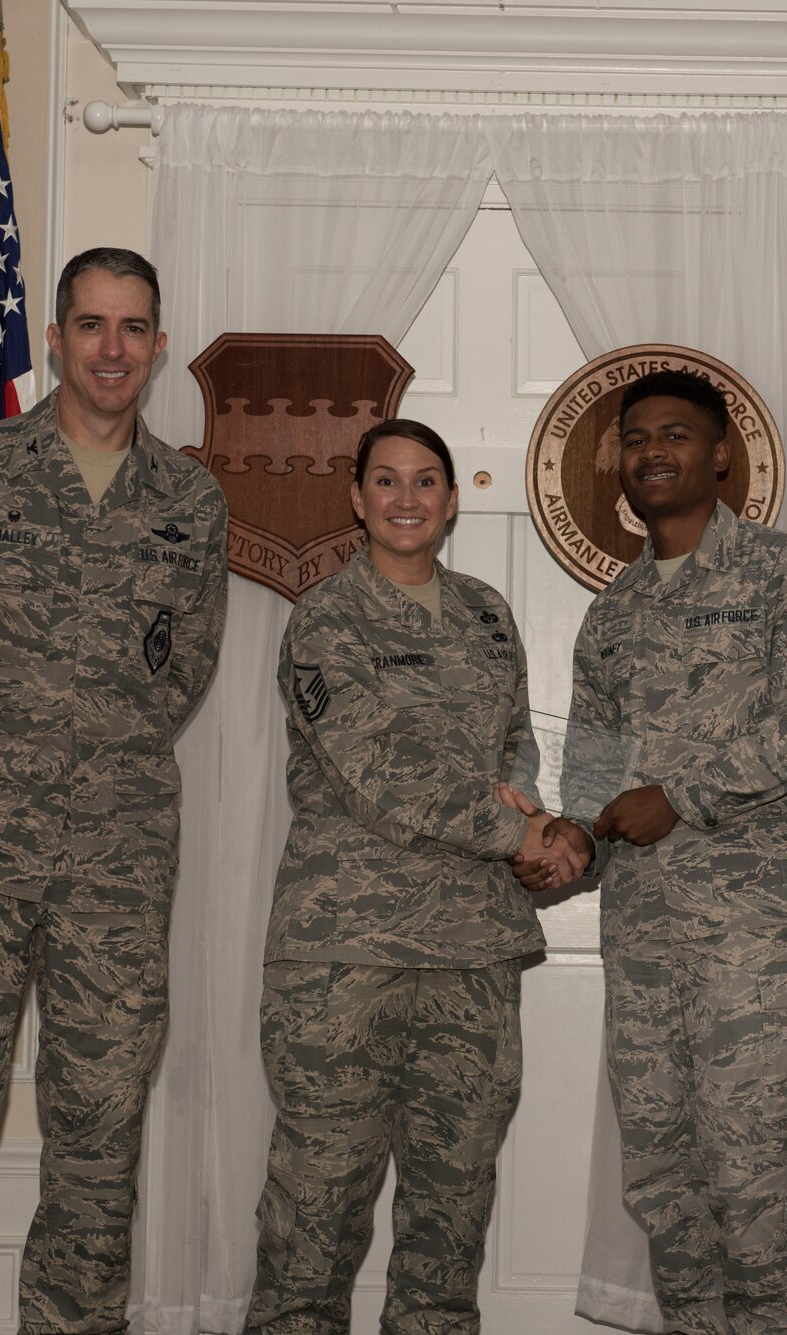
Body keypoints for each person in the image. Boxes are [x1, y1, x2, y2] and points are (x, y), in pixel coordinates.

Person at [0, 247, 228, 1333]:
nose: (111, 348)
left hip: (114, 866)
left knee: (98, 1142)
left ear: (158, 348)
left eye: (132, 328)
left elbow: (187, 662)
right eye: (90, 325)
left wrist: (94, 766)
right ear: (57, 339)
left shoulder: (191, 500)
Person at [247, 419, 591, 1334]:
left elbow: (515, 744)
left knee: (451, 1216)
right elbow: (380, 773)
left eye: (427, 480)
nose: (408, 498)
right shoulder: (326, 617)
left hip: (473, 953)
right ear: (356, 499)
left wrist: (542, 824)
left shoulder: (487, 613)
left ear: (451, 499)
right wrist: (517, 834)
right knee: (315, 1212)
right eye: (387, 481)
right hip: (346, 954)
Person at [554, 369, 787, 1335]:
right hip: (642, 942)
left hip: (752, 940)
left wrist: (679, 796)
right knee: (668, 1195)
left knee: (760, 1197)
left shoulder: (782, 571)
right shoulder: (613, 614)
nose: (653, 452)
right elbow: (596, 784)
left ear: (720, 452)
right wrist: (564, 844)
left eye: (676, 434)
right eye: (636, 438)